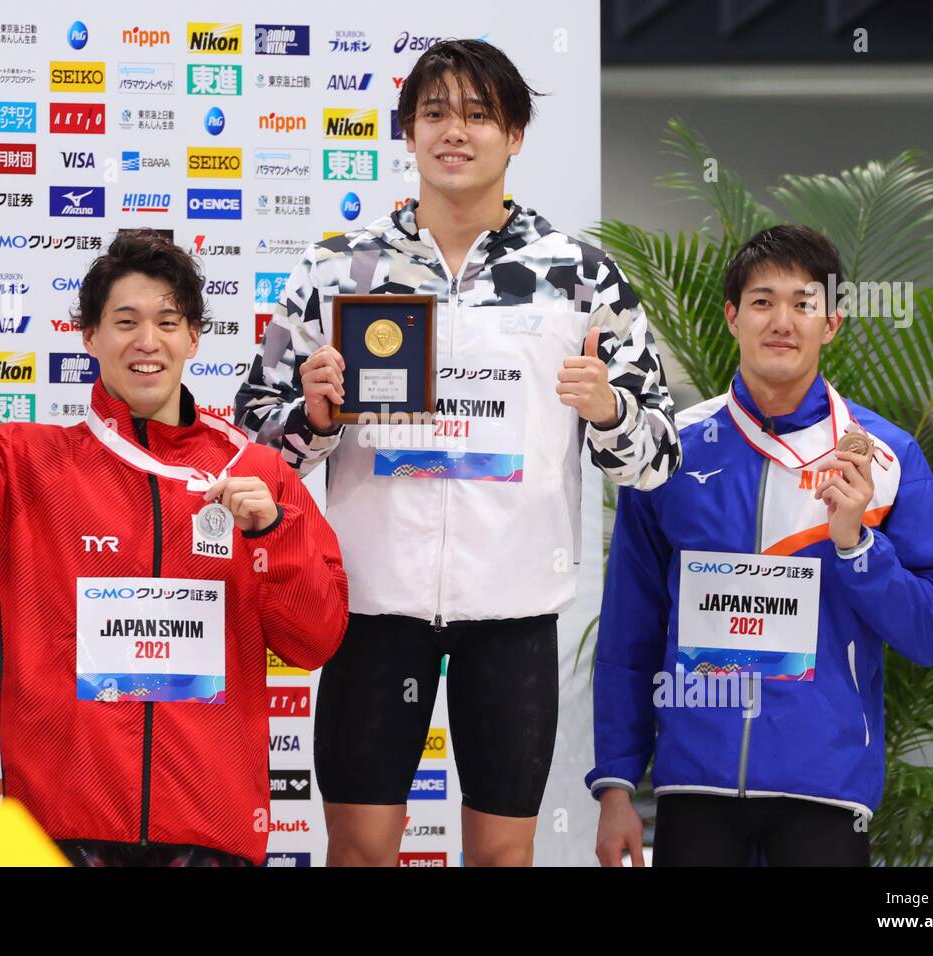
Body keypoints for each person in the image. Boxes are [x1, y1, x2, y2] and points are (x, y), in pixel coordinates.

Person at [236, 39, 681, 866]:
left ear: (514, 135)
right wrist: (319, 413)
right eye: (435, 113)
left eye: (479, 114)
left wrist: (609, 408)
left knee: (504, 859)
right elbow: (254, 442)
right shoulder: (341, 267)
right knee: (361, 851)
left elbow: (655, 459)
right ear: (407, 132)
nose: (455, 131)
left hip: (511, 614)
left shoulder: (577, 276)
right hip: (371, 608)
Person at [0, 230, 348, 867]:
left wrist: (273, 536)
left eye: (168, 321)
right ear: (89, 335)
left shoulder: (259, 476)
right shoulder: (25, 468)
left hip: (208, 831)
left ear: (194, 338)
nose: (147, 341)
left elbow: (315, 642)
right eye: (125, 321)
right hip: (59, 830)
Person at [589, 225, 933, 866]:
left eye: (803, 303)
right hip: (695, 789)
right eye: (763, 302)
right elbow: (630, 627)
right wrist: (617, 784)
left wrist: (857, 549)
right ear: (733, 318)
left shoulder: (886, 457)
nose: (782, 321)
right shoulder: (669, 451)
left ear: (832, 324)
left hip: (825, 790)